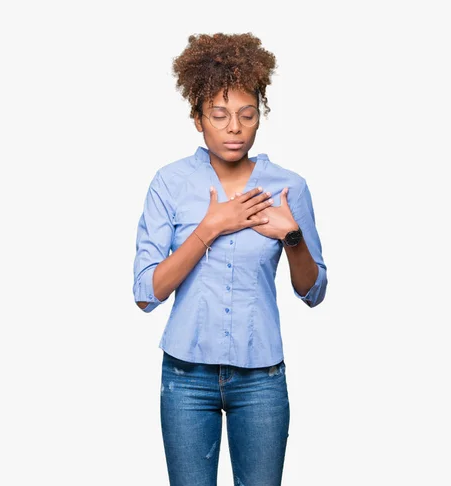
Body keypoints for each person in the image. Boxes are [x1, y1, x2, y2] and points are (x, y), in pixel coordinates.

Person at [133, 32, 327, 486]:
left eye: (247, 114)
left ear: (261, 116)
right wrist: (211, 227)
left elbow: (314, 292)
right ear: (198, 119)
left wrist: (292, 236)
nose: (234, 127)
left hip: (261, 378)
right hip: (185, 378)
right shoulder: (170, 183)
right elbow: (146, 293)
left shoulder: (288, 187)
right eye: (219, 115)